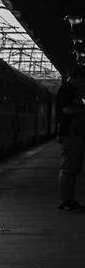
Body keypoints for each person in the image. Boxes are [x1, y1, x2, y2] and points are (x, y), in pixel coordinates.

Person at [57, 66, 85, 212]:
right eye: (83, 81)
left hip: (75, 134)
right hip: (70, 133)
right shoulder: (66, 90)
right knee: (68, 169)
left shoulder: (71, 90)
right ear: (77, 77)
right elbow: (66, 110)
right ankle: (64, 201)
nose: (84, 84)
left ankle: (70, 200)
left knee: (72, 169)